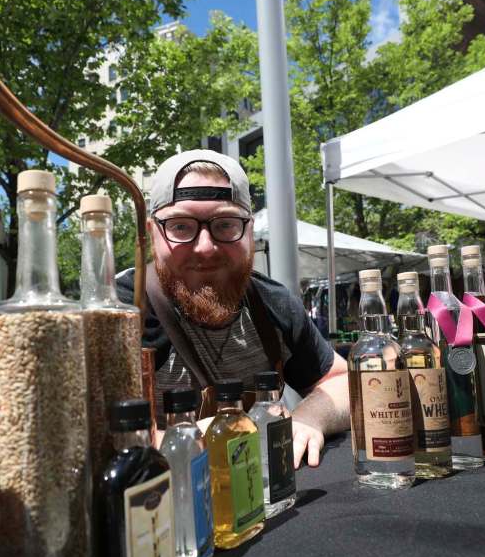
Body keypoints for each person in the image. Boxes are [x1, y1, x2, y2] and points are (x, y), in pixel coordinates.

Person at [116, 149, 350, 469]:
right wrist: (192, 443)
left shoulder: (273, 305)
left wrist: (309, 419)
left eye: (225, 225)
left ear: (249, 231)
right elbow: (84, 430)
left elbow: (341, 381)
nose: (206, 247)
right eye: (181, 226)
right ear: (151, 232)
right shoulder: (122, 313)